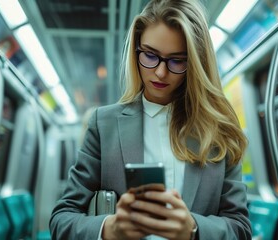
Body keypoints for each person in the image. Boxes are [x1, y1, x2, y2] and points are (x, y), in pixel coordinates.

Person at [49, 0, 251, 239]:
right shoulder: (104, 125)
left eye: (177, 60)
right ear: (136, 51)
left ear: (196, 64)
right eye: (150, 55)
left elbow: (241, 228)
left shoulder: (219, 131)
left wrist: (193, 229)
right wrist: (110, 229)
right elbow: (61, 217)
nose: (160, 72)